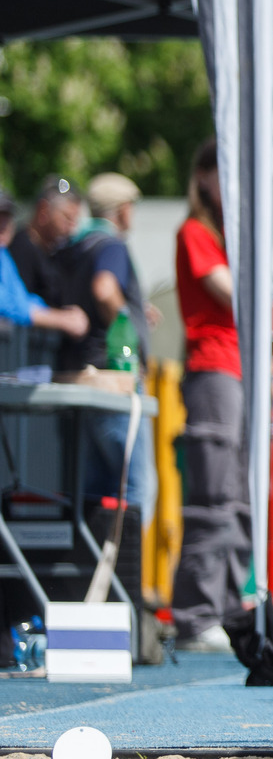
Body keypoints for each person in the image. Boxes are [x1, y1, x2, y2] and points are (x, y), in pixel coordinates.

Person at [171, 140, 273, 651]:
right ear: (203, 177)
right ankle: (195, 615)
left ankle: (224, 609)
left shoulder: (230, 237)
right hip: (214, 374)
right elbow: (236, 297)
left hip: (244, 374)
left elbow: (251, 326)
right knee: (213, 498)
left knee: (244, 502)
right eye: (224, 175)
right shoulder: (195, 233)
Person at [72, 174, 161, 518]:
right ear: (122, 210)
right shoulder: (111, 245)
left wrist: (136, 310)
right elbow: (104, 289)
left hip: (80, 379)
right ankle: (128, 572)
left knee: (94, 491)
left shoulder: (76, 246)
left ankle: (93, 571)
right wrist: (128, 326)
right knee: (135, 488)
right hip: (115, 380)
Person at [9, 176, 85, 367]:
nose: (72, 227)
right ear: (44, 211)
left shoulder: (56, 251)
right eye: (67, 218)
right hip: (23, 363)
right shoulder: (21, 248)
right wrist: (62, 319)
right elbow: (17, 306)